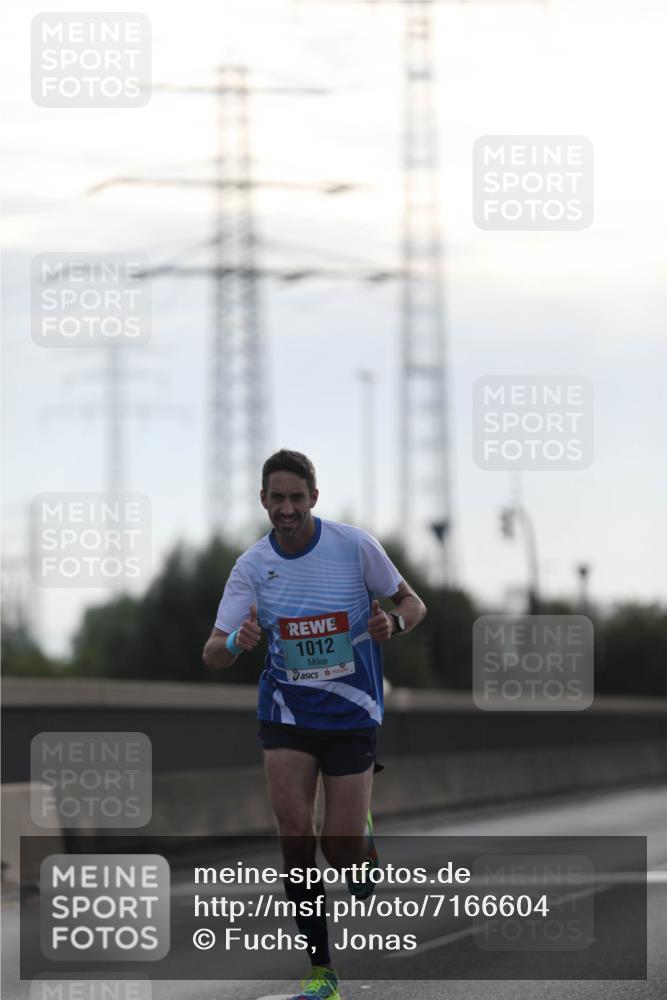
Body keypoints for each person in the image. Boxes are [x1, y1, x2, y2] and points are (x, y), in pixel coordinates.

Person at [203, 449, 427, 1000]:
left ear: (314, 498)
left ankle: (362, 846)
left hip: (352, 714)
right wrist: (237, 641)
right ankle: (322, 971)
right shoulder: (251, 567)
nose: (286, 508)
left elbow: (413, 603)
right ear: (263, 500)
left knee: (339, 849)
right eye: (276, 498)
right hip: (287, 714)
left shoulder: (354, 546)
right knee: (295, 841)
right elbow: (212, 653)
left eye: (296, 497)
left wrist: (392, 623)